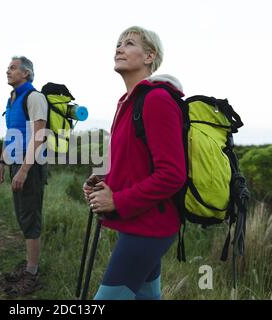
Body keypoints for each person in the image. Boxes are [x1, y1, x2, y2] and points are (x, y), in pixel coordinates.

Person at [83, 26, 186, 300]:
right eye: (118, 44)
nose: (119, 48)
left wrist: (117, 201)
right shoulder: (128, 102)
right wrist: (104, 185)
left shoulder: (157, 99)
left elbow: (172, 174)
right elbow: (137, 165)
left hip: (149, 227)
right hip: (137, 221)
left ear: (149, 56)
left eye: (128, 44)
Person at [0, 56, 48, 296]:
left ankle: (32, 274)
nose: (8, 70)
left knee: (30, 219)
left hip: (30, 166)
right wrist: (2, 161)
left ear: (26, 73)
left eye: (13, 67)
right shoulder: (13, 98)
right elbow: (11, 132)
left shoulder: (34, 98)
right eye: (8, 67)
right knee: (22, 216)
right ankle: (28, 267)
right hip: (16, 163)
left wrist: (25, 170)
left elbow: (38, 136)